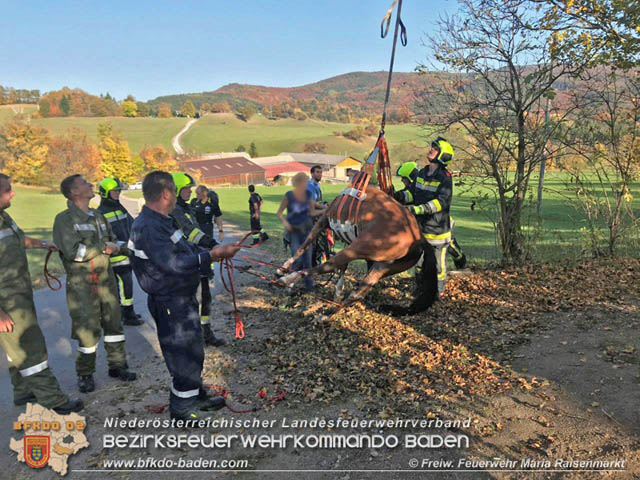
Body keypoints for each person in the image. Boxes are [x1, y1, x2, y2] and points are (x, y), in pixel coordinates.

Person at [128, 171, 241, 422]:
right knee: (181, 354)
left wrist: (212, 250)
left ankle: (194, 395)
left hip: (181, 297)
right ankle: (181, 409)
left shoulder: (163, 221)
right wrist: (211, 256)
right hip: (169, 301)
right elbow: (173, 264)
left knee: (193, 349)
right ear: (167, 194)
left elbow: (186, 248)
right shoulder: (148, 226)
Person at [0, 174, 83, 414]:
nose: (13, 193)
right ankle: (53, 399)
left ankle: (23, 391)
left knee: (17, 349)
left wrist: (43, 244)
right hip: (7, 302)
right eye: (7, 190)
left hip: (20, 294)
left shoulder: (4, 217)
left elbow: (17, 240)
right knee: (31, 346)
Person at [53, 175, 137, 393]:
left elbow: (113, 241)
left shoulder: (98, 216)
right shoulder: (64, 220)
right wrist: (103, 247)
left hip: (106, 280)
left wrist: (131, 250)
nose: (90, 185)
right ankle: (85, 373)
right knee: (87, 331)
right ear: (73, 192)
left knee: (114, 326)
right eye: (83, 184)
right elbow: (74, 252)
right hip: (84, 286)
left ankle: (118, 366)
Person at [171, 173, 224, 347]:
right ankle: (192, 338)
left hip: (198, 258)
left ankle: (206, 333)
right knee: (195, 301)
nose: (189, 191)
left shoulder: (185, 208)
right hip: (188, 262)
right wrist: (212, 243)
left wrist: (208, 245)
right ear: (176, 190)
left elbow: (195, 231)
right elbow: (190, 232)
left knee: (206, 298)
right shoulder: (175, 210)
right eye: (186, 188)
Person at [403, 138, 455, 297]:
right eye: (432, 147)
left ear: (442, 155)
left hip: (437, 230)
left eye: (435, 148)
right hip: (420, 229)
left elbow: (441, 202)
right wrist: (396, 196)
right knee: (418, 263)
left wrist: (418, 209)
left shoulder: (445, 177)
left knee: (438, 266)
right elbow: (411, 193)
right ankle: (419, 289)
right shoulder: (422, 173)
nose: (431, 150)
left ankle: (437, 292)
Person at [394, 161, 467, 269]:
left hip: (441, 224)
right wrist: (394, 195)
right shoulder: (413, 187)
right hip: (425, 227)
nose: (402, 181)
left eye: (404, 178)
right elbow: (405, 196)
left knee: (452, 247)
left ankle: (462, 264)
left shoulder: (426, 186)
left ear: (410, 177)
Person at [96, 177, 144, 326]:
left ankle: (126, 312)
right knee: (122, 287)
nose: (117, 194)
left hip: (125, 253)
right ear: (105, 193)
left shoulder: (120, 208)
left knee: (126, 286)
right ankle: (126, 315)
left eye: (118, 191)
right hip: (114, 257)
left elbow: (132, 223)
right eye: (114, 192)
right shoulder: (100, 213)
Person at [277, 172, 325, 292]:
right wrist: (286, 224)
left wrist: (326, 211)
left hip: (307, 232)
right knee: (297, 259)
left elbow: (312, 212)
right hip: (294, 233)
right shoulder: (288, 195)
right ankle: (290, 286)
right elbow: (279, 213)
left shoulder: (308, 194)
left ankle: (309, 287)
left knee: (307, 261)